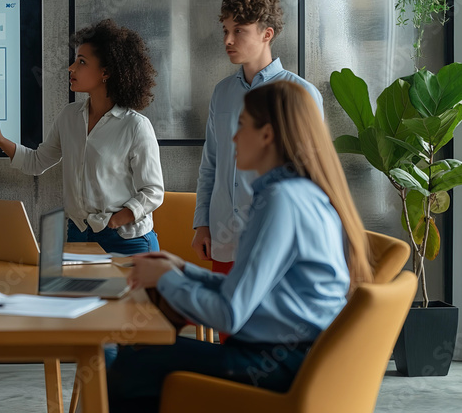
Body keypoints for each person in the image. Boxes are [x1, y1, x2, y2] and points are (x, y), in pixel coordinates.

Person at [108, 81, 373, 412]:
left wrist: (165, 280)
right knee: (142, 360)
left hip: (277, 365)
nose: (233, 138)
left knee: (133, 366)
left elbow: (230, 314)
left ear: (266, 135)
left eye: (242, 125)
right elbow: (246, 289)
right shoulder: (304, 194)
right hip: (298, 358)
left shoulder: (281, 202)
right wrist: (179, 270)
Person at [0, 19, 163, 255]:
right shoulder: (69, 117)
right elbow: (37, 162)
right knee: (77, 292)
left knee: (126, 294)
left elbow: (153, 191)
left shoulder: (136, 126)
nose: (71, 68)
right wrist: (0, 139)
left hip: (126, 239)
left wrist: (116, 221)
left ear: (105, 72)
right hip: (79, 233)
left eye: (82, 62)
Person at [193, 0, 324, 281]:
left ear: (267, 34)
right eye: (226, 30)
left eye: (238, 30)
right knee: (227, 322)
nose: (227, 40)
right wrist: (202, 223)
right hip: (223, 238)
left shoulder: (300, 95)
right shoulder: (221, 93)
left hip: (276, 240)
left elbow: (311, 175)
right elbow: (211, 163)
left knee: (266, 325)